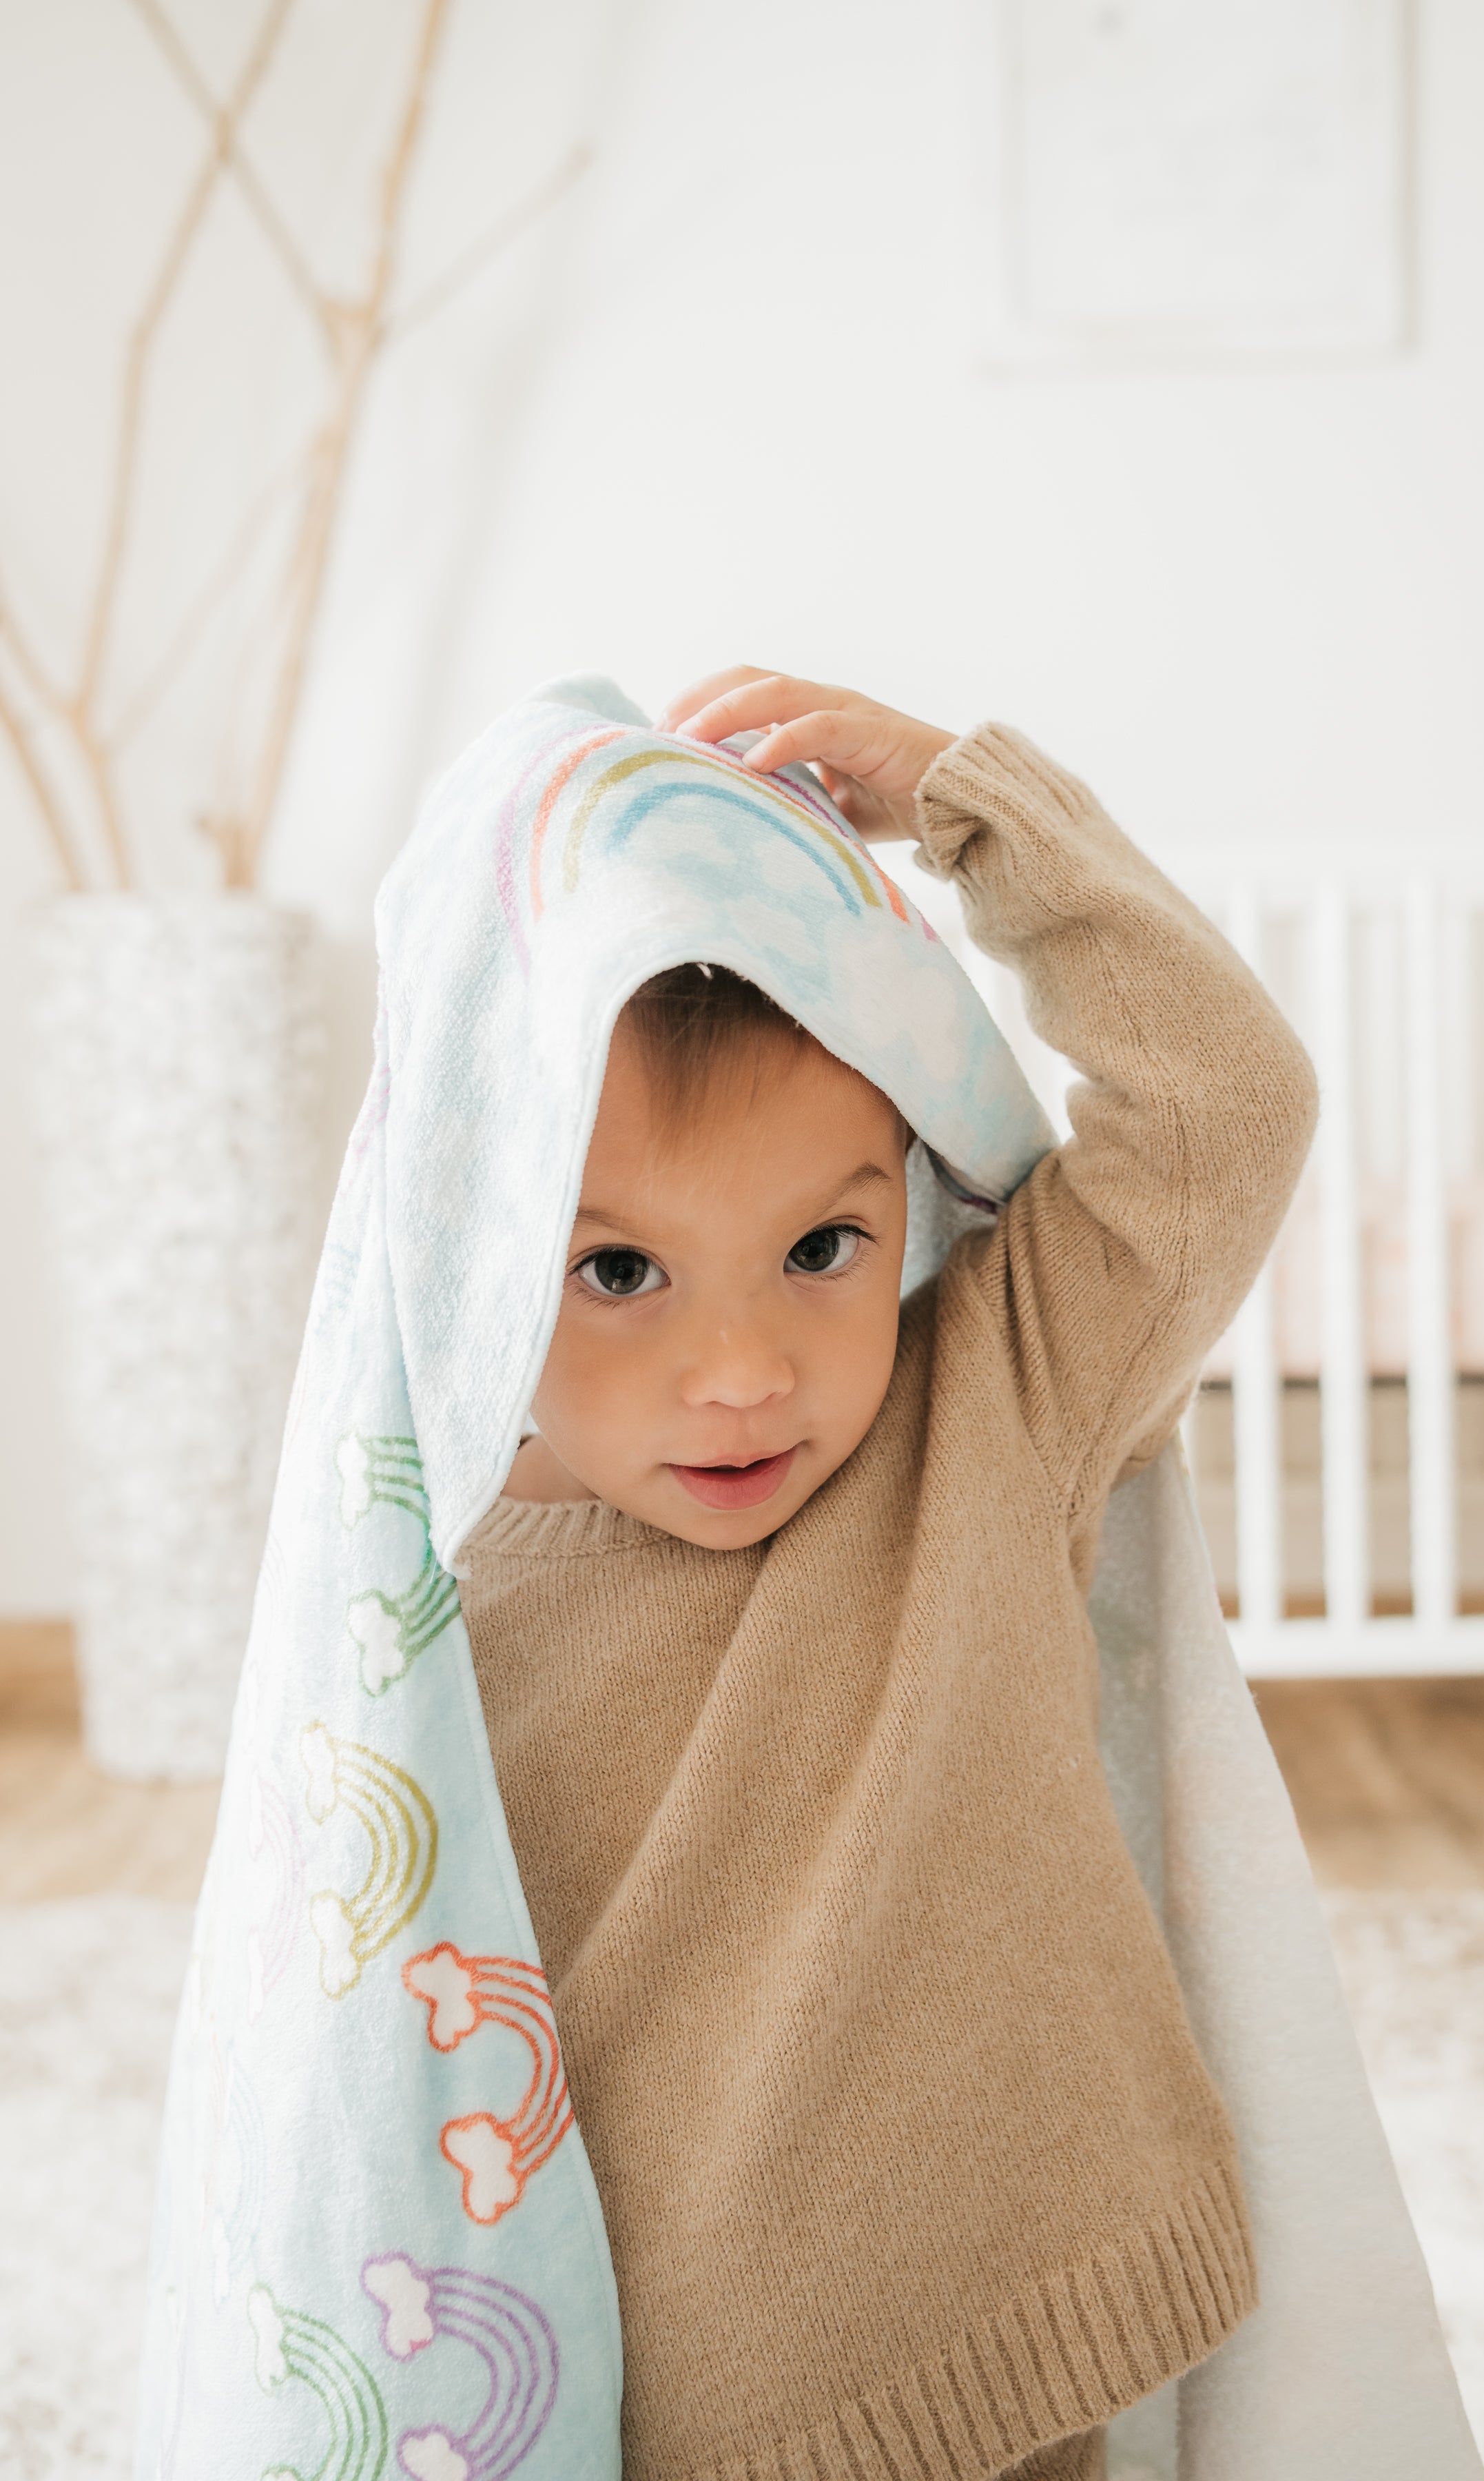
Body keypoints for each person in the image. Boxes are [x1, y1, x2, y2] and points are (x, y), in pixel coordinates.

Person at [457, 666, 1319, 2480]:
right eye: (618, 1273)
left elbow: (1219, 1107)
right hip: (639, 2393)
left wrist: (968, 804)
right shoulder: (413, 1601)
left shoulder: (985, 1406)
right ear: (470, 1254)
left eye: (822, 1245)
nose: (743, 1372)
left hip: (996, 2335)